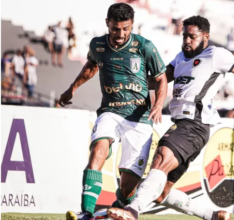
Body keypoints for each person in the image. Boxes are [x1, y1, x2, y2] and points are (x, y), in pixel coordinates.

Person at [106, 15, 234, 220]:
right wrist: (126, 76)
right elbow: (158, 81)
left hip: (194, 124)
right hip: (186, 126)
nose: (186, 40)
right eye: (184, 36)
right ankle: (213, 215)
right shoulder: (179, 57)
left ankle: (132, 210)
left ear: (205, 37)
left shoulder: (216, 55)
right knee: (160, 192)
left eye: (192, 37)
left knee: (160, 160)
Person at [60, 3, 168, 220]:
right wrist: (72, 88)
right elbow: (91, 66)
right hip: (110, 111)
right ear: (107, 23)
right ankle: (87, 213)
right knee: (97, 152)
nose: (120, 34)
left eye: (125, 29)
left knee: (128, 189)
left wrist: (157, 105)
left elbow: (161, 78)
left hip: (139, 118)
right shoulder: (97, 45)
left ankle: (116, 210)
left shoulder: (145, 47)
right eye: (116, 28)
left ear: (132, 25)